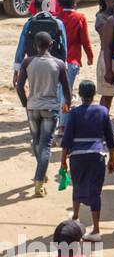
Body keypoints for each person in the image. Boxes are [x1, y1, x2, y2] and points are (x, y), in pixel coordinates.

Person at [17, 30, 71, 197]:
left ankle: (42, 169)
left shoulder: (27, 62)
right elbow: (66, 89)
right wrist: (67, 104)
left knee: (36, 140)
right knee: (46, 144)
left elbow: (19, 87)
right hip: (50, 108)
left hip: (33, 108)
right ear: (51, 45)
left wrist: (26, 104)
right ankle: (39, 181)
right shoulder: (59, 63)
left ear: (35, 45)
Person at [60, 81, 114, 242]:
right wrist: (112, 159)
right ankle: (96, 229)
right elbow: (110, 139)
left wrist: (63, 160)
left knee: (77, 185)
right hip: (97, 155)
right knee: (95, 192)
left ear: (80, 95)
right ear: (94, 95)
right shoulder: (103, 111)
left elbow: (67, 139)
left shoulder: (74, 113)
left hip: (77, 156)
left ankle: (76, 217)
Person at [94, 0, 114, 108]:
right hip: (107, 57)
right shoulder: (101, 18)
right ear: (106, 1)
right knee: (107, 94)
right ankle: (102, 120)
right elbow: (108, 38)